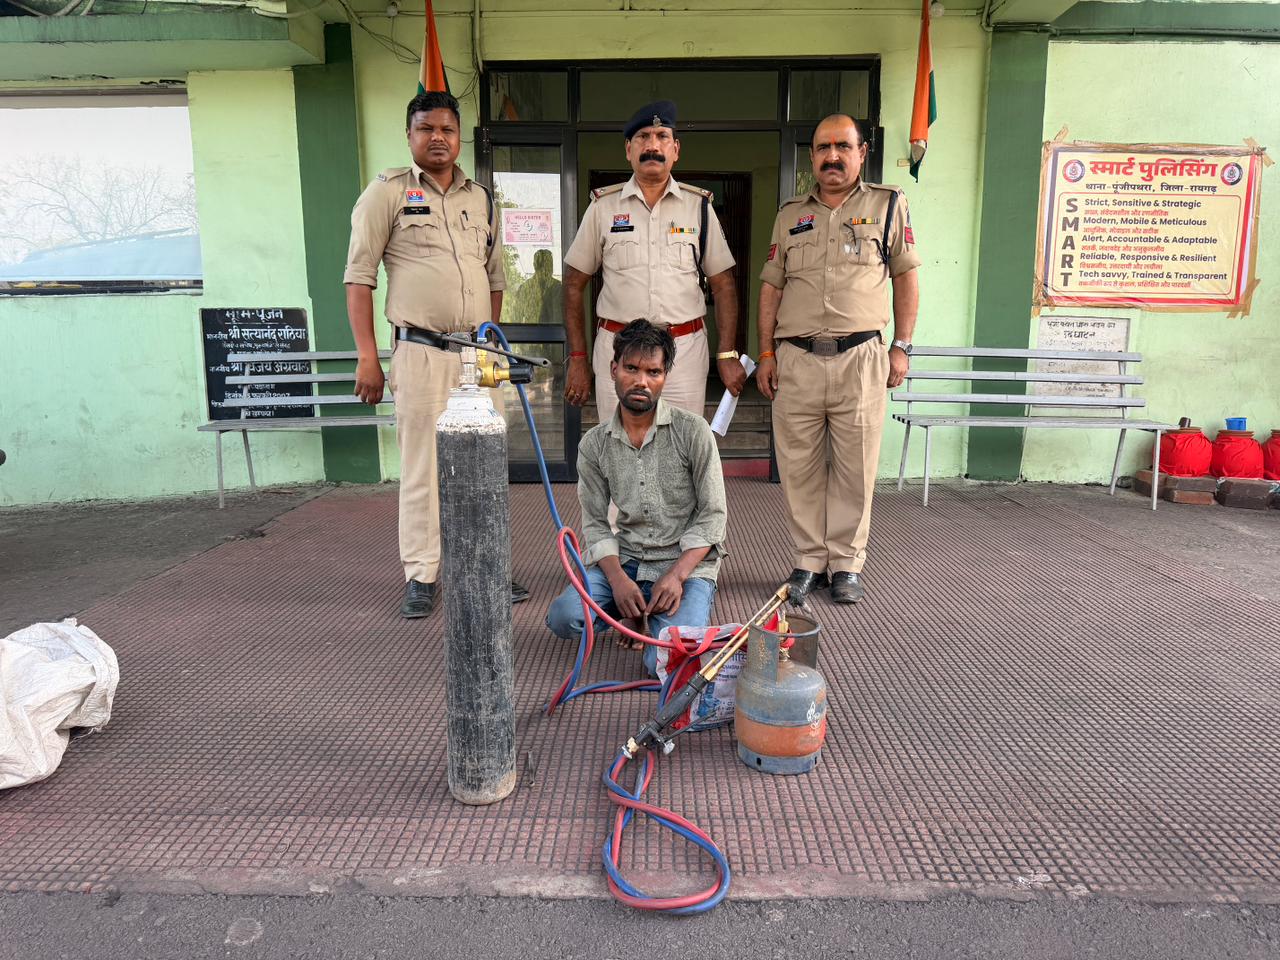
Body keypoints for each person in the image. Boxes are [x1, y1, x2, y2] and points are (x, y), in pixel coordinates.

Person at [344, 91, 529, 618]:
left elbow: (495, 278)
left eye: (447, 129)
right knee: (424, 468)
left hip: (477, 355)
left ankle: (487, 564)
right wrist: (367, 357)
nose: (437, 138)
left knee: (485, 464)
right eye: (426, 129)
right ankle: (422, 573)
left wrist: (489, 339)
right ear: (410, 136)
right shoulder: (386, 193)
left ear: (459, 136)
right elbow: (358, 277)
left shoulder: (482, 199)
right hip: (421, 352)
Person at [756, 114, 920, 606]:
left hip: (861, 358)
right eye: (823, 148)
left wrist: (902, 346)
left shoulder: (888, 205)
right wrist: (765, 352)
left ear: (861, 152)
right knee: (799, 468)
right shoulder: (790, 214)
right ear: (811, 156)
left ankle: (846, 564)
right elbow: (772, 286)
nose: (832, 156)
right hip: (797, 359)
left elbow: (906, 277)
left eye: (842, 147)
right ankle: (809, 561)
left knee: (855, 468)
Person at [545, 320, 727, 676]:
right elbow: (595, 525)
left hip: (684, 566)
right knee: (564, 617)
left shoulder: (694, 432)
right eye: (631, 368)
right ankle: (630, 607)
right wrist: (617, 581)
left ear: (665, 376)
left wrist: (676, 576)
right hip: (627, 559)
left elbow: (713, 517)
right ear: (614, 369)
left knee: (664, 662)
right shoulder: (594, 445)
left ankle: (663, 611)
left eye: (653, 372)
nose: (641, 381)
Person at [561, 100, 747, 422]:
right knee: (618, 442)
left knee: (682, 442)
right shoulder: (603, 208)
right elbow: (573, 284)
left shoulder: (698, 207)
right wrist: (578, 357)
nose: (652, 146)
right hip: (619, 351)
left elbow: (723, 285)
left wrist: (727, 353)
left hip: (683, 354)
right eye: (643, 137)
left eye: (662, 136)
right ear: (628, 149)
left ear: (675, 149)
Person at [509, 248, 563, 325]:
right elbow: (516, 319)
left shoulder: (557, 288)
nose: (547, 270)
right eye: (545, 267)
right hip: (530, 331)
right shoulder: (525, 288)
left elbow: (559, 317)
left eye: (550, 266)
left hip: (554, 331)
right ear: (535, 266)